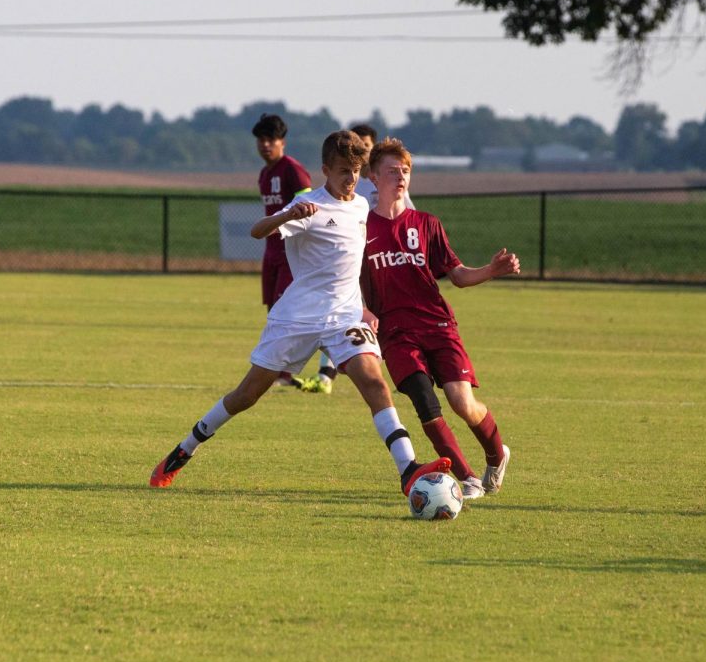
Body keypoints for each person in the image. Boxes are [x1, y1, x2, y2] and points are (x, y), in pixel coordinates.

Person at [149, 130, 451, 498]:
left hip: (345, 316)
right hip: (297, 318)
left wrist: (369, 305)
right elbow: (257, 230)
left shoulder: (360, 206)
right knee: (247, 394)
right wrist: (290, 213)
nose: (350, 178)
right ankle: (185, 449)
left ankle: (407, 469)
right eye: (342, 171)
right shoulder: (309, 206)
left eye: (355, 170)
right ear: (325, 169)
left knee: (375, 382)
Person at [360, 137, 520, 499]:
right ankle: (466, 478)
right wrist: (364, 309)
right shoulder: (362, 228)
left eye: (405, 171)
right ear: (372, 176)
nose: (400, 177)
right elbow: (349, 279)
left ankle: (496, 455)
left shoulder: (427, 224)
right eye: (391, 171)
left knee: (461, 402)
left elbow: (458, 275)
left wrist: (492, 271)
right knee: (423, 399)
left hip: (437, 324)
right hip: (397, 332)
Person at [299, 122, 411, 395]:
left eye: (365, 148)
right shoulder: (351, 185)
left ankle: (403, 368)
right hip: (354, 260)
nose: (356, 164)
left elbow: (405, 217)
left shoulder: (385, 183)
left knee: (386, 317)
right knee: (342, 314)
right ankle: (327, 374)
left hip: (382, 260)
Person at [252, 113, 313, 388]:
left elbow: (310, 208)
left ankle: (285, 374)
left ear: (282, 142)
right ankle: (275, 369)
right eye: (261, 140)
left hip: (291, 254)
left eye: (270, 139)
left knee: (286, 311)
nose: (265, 145)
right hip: (270, 253)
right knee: (272, 309)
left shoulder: (293, 170)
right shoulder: (265, 174)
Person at [351, 122, 415, 211]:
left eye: (366, 145)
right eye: (358, 145)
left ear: (373, 147)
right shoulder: (349, 182)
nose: (362, 149)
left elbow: (409, 213)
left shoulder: (388, 180)